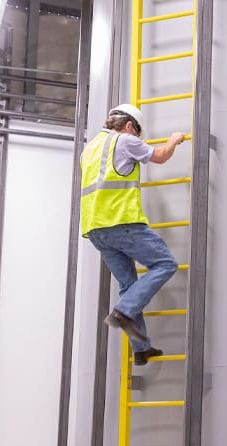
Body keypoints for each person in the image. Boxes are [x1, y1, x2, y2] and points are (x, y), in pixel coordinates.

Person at [79, 103, 187, 365]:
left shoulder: (89, 149)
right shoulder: (125, 140)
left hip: (96, 229)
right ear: (129, 126)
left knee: (128, 286)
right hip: (122, 221)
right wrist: (174, 139)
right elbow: (160, 155)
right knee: (165, 264)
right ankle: (123, 312)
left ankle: (140, 348)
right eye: (138, 133)